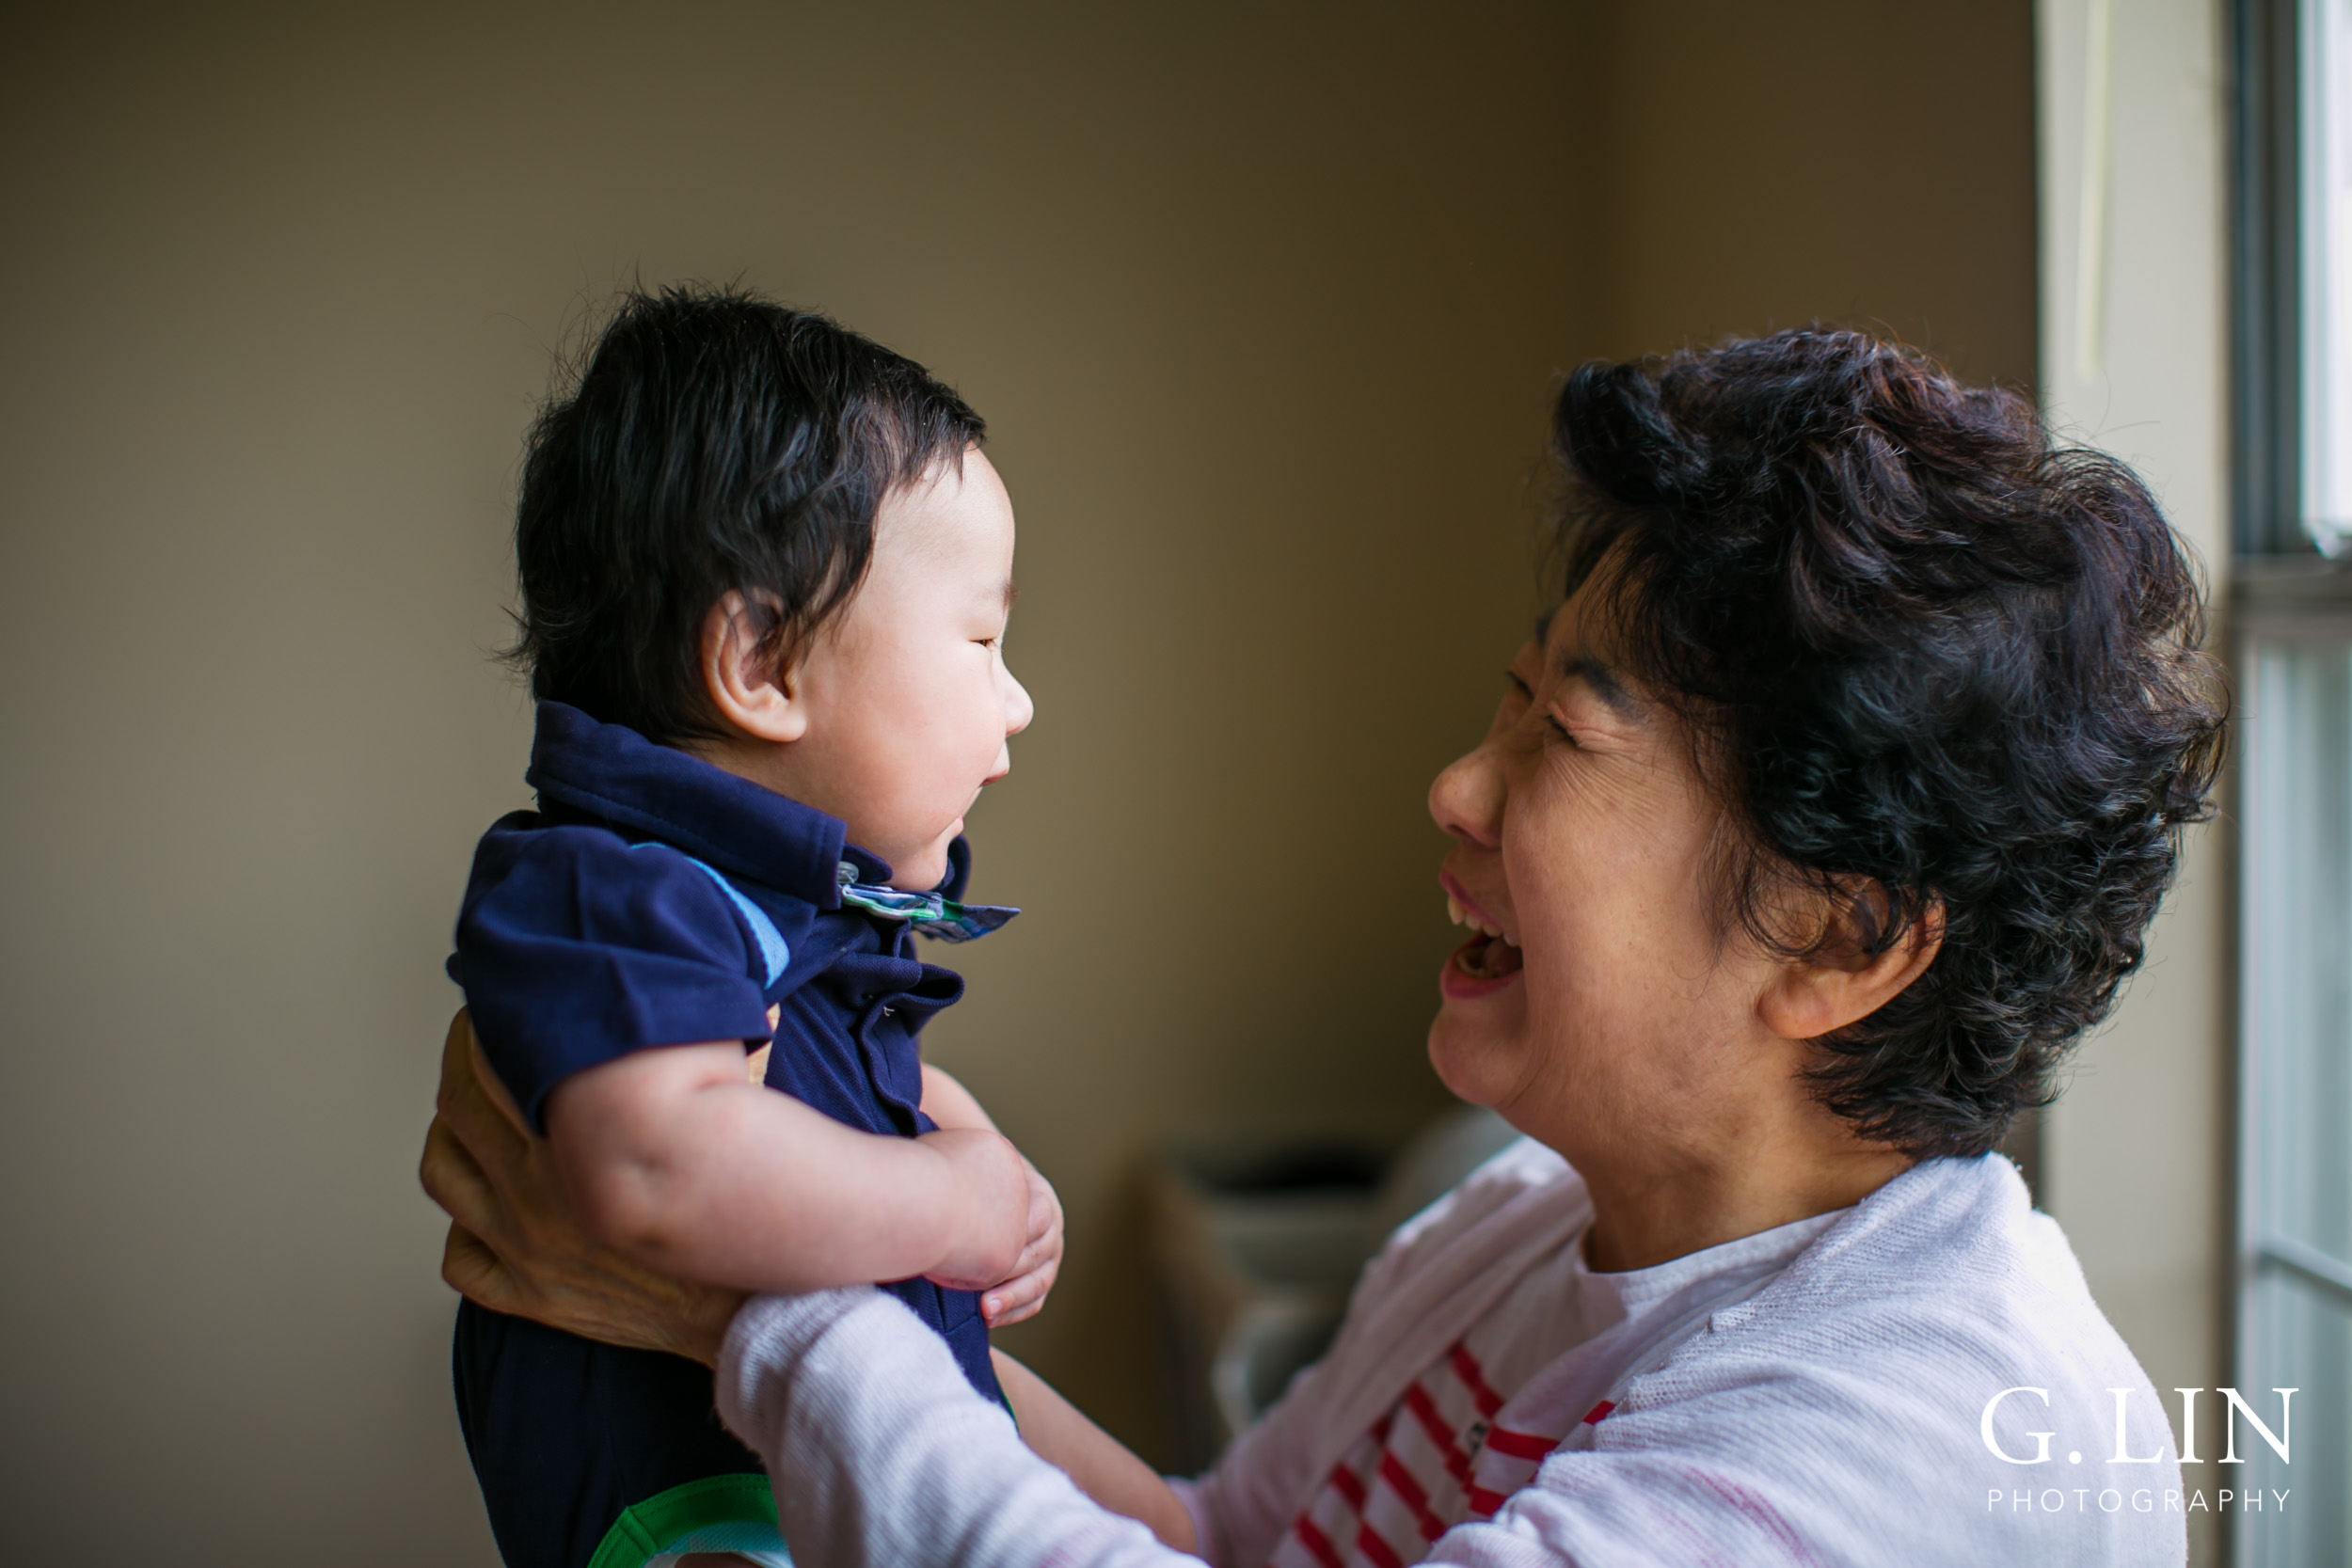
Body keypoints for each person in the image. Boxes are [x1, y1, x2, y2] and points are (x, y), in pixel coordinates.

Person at [423, 328, 2225, 1566]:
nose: (1453, 786)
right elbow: (1222, 1543)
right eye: (1498, 708)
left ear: (1837, 936)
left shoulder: (1922, 1438)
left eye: (1557, 741)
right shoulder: (1520, 1222)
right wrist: (854, 1274)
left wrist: (753, 1295)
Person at [443, 286, 1059, 1568]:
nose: (1019, 703)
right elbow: (662, 1162)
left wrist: (944, 1120)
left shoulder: (747, 905)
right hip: (704, 1521)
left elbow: (781, 1086)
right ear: (764, 665)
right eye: (985, 640)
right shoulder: (617, 888)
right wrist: (952, 1200)